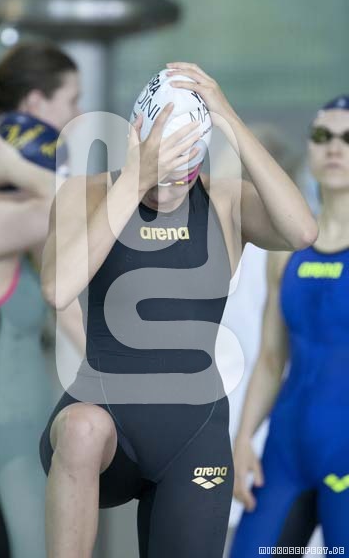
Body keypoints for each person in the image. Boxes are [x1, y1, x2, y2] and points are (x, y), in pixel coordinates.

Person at [39, 62, 318, 558]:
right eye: (159, 175)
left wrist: (228, 118)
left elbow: (302, 232)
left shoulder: (224, 202)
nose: (167, 192)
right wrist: (133, 181)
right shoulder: (88, 194)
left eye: (182, 175)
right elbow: (58, 288)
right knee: (82, 429)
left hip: (192, 435)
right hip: (104, 422)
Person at [0, 41, 85, 558]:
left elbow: (64, 302)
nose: (74, 116)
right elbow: (93, 211)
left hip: (4, 430)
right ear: (34, 103)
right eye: (71, 100)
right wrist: (29, 173)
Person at [230, 96, 349, 556]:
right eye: (322, 136)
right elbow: (271, 357)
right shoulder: (287, 250)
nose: (334, 147)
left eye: (347, 138)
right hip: (286, 453)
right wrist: (243, 439)